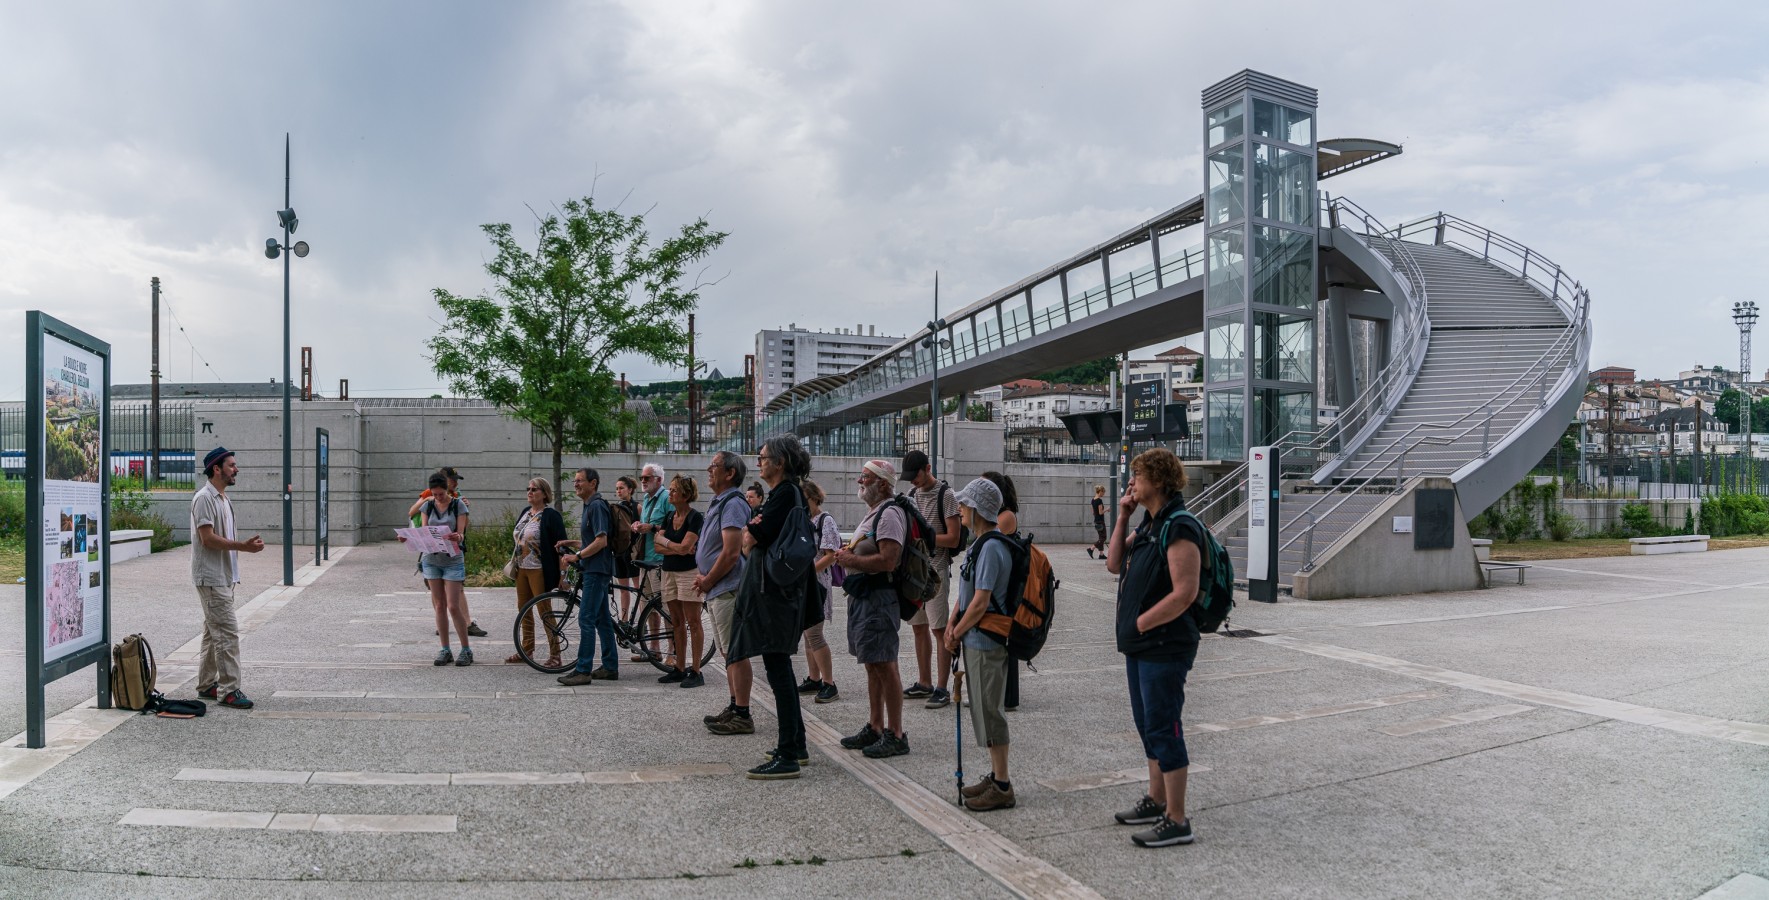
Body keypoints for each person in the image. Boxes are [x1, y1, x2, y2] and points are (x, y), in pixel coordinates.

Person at [1105, 447, 1201, 848]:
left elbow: (1185, 593)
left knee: (1165, 727)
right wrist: (1124, 513)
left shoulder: (1179, 527)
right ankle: (1156, 798)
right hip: (1141, 647)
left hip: (1164, 645)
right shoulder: (1147, 526)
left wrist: (1143, 622)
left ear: (1158, 481)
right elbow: (1113, 564)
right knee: (1149, 727)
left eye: (1138, 476)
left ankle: (1177, 820)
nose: (1132, 482)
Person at [732, 435, 823, 780]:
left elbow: (754, 536)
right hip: (780, 593)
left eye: (763, 457)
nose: (759, 462)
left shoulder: (786, 494)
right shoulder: (786, 494)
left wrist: (752, 531)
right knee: (779, 667)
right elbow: (750, 534)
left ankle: (787, 753)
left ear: (780, 463)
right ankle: (796, 744)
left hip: (776, 596)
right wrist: (751, 531)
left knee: (779, 669)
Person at [947, 477, 1017, 811]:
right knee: (983, 709)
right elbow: (966, 597)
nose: (959, 510)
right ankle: (996, 775)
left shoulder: (991, 547)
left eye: (964, 505)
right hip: (975, 638)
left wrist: (957, 631)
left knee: (990, 711)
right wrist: (953, 624)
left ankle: (1002, 785)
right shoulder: (980, 544)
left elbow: (980, 601)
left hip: (986, 640)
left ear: (977, 510)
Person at [833, 459, 910, 759]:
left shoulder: (890, 514)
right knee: (872, 663)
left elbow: (889, 560)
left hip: (879, 599)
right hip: (865, 598)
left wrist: (852, 561)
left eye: (865, 477)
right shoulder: (874, 513)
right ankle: (876, 725)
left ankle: (896, 734)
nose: (859, 481)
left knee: (886, 664)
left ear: (883, 484)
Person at [190, 446, 264, 709]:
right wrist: (243, 546)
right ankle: (229, 690)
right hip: (211, 578)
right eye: (231, 465)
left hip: (224, 577)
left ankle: (207, 684)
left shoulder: (223, 499)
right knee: (227, 633)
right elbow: (207, 539)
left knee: (213, 632)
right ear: (217, 469)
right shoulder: (204, 498)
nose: (236, 469)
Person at [697, 450, 755, 735]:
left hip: (727, 588)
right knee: (727, 651)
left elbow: (731, 552)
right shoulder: (720, 501)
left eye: (714, 466)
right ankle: (734, 706)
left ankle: (743, 713)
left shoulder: (732, 503)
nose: (709, 470)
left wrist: (708, 579)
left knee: (736, 651)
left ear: (730, 473)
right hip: (719, 588)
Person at [900, 450, 960, 710]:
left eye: (916, 475)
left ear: (928, 468)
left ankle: (942, 687)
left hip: (935, 572)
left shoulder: (946, 495)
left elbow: (955, 539)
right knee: (918, 627)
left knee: (939, 629)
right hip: (915, 573)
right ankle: (924, 682)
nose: (913, 481)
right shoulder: (911, 496)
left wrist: (925, 537)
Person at [408, 466, 486, 638]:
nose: (456, 482)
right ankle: (442, 622)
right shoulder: (430, 494)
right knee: (437, 591)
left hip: (453, 550)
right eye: (453, 479)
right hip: (433, 552)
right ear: (444, 479)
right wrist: (427, 500)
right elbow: (412, 512)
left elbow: (463, 528)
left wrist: (463, 515)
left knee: (457, 591)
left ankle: (466, 623)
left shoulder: (457, 499)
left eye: (457, 479)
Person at [557, 468, 618, 685]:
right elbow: (592, 541)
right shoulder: (589, 506)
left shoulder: (597, 506)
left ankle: (583, 670)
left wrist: (577, 556)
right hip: (595, 568)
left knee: (586, 619)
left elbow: (602, 541)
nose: (575, 484)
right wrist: (571, 544)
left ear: (593, 483)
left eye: (579, 481)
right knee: (602, 620)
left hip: (596, 570)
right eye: (574, 481)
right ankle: (610, 666)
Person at [416, 471, 473, 666]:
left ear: (447, 489)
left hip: (453, 560)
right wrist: (409, 538)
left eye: (441, 494)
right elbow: (424, 532)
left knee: (453, 605)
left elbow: (462, 533)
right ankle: (445, 649)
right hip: (431, 559)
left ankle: (466, 649)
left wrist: (458, 537)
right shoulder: (427, 505)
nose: (438, 497)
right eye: (435, 494)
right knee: (439, 605)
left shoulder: (458, 505)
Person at [653, 474, 705, 688]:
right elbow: (657, 546)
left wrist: (668, 544)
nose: (670, 493)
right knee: (676, 622)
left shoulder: (695, 517)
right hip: (669, 572)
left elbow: (686, 548)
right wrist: (676, 546)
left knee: (693, 622)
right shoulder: (669, 516)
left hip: (689, 573)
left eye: (674, 489)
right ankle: (679, 668)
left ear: (685, 494)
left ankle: (696, 670)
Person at [508, 477, 566, 668]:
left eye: (535, 489)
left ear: (544, 493)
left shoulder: (551, 515)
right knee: (523, 609)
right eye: (528, 488)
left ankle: (556, 655)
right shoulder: (526, 512)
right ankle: (527, 649)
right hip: (522, 568)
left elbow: (561, 547)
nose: (530, 492)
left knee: (545, 611)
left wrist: (563, 574)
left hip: (539, 569)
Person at [981, 471, 1023, 711]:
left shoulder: (1005, 516)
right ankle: (994, 692)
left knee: (1003, 640)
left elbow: (987, 540)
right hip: (1000, 581)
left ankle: (1006, 696)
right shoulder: (999, 515)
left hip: (1005, 585)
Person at [796, 479, 841, 704]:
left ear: (813, 497)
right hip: (805, 585)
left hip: (817, 585)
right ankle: (814, 678)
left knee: (814, 633)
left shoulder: (825, 520)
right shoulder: (805, 520)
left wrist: (807, 572)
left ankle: (829, 683)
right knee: (807, 633)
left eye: (804, 499)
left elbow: (831, 554)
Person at [1089, 484, 1108, 559]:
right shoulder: (1099, 500)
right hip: (1100, 521)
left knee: (1101, 537)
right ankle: (1091, 549)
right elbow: (1100, 512)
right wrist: (1107, 509)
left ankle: (1101, 554)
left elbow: (1093, 512)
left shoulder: (1093, 500)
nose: (1103, 494)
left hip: (1096, 521)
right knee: (1103, 537)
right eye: (1103, 492)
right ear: (1100, 491)